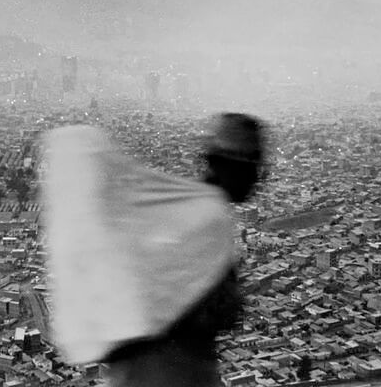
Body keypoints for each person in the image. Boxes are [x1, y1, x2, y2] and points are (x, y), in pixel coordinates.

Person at [103, 112, 266, 387]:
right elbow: (210, 311)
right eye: (252, 169)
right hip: (167, 375)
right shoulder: (207, 219)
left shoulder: (185, 208)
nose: (256, 180)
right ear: (231, 167)